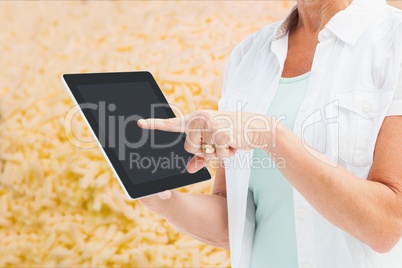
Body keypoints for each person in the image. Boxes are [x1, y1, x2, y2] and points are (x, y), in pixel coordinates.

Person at [138, 0, 402, 267]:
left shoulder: (393, 38)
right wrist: (165, 202)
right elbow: (235, 218)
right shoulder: (250, 54)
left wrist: (269, 135)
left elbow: (386, 226)